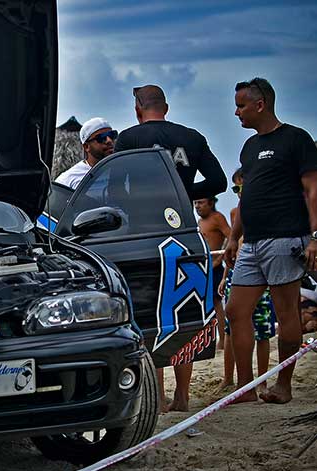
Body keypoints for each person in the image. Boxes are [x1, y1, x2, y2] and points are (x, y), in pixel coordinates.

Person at [115, 84, 226, 412]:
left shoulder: (129, 139)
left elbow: (117, 186)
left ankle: (160, 398)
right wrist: (183, 191)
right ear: (166, 106)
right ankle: (182, 396)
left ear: (138, 108)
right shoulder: (191, 138)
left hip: (143, 232)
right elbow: (218, 182)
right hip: (183, 230)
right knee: (184, 309)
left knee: (153, 310)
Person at [223, 77, 317, 404]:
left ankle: (284, 384)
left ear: (259, 105)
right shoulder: (249, 148)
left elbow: (313, 190)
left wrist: (315, 237)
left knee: (286, 313)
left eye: (241, 106)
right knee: (236, 311)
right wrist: (234, 238)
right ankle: (246, 388)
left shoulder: (296, 139)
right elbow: (248, 197)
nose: (236, 113)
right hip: (251, 242)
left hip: (286, 238)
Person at [217, 168, 276, 395]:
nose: (239, 192)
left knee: (262, 331)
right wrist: (224, 276)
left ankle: (261, 380)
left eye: (241, 187)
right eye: (235, 188)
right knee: (232, 329)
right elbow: (232, 246)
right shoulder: (235, 212)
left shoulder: (268, 208)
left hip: (262, 275)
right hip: (237, 273)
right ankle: (229, 379)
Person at [194, 196, 230, 348]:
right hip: (203, 267)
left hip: (215, 268)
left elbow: (231, 236)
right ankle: (209, 340)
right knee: (203, 306)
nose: (197, 206)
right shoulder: (200, 222)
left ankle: (222, 340)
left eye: (201, 202)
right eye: (195, 203)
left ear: (211, 203)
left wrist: (219, 258)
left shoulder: (217, 218)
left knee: (217, 304)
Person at [55, 117, 117, 189]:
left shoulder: (121, 169)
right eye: (101, 138)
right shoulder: (68, 180)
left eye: (112, 135)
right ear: (87, 146)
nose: (109, 141)